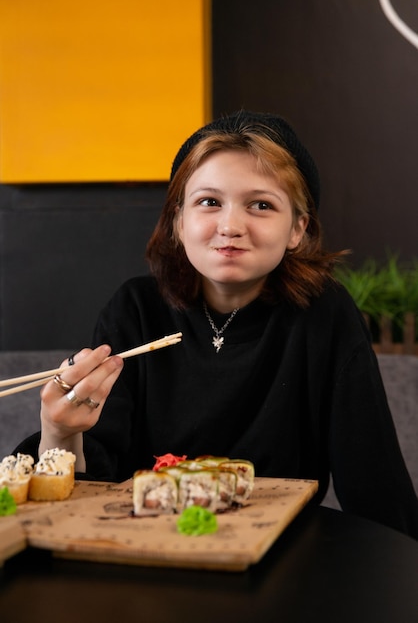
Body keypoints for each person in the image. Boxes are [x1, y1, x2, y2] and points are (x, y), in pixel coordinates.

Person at [16, 110, 418, 539]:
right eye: (209, 202)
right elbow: (87, 489)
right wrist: (60, 432)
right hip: (145, 556)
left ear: (297, 228)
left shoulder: (325, 316)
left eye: (261, 205)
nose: (230, 226)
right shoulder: (135, 309)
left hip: (281, 562)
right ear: (178, 221)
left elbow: (376, 488)